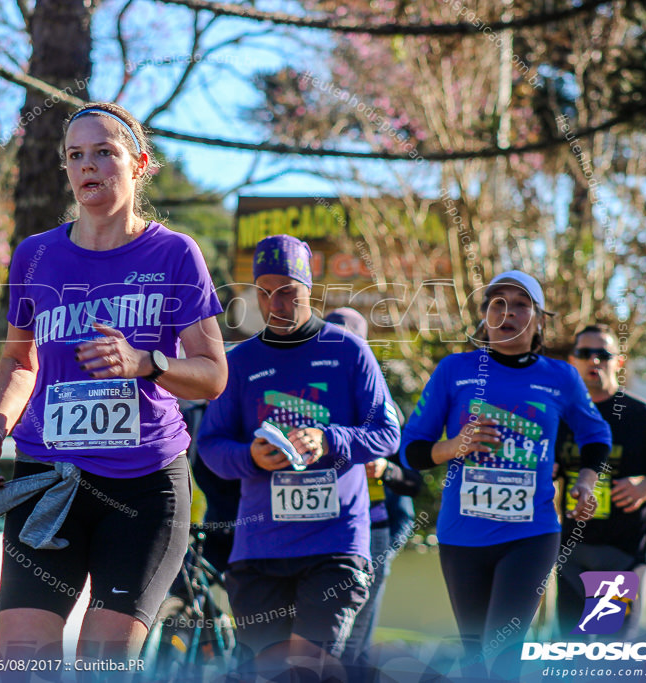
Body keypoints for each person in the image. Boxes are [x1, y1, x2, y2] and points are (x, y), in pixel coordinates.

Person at [0, 102, 228, 666]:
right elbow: (20, 362)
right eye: (75, 156)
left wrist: (147, 362)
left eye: (104, 153)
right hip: (47, 482)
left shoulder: (175, 254)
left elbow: (212, 376)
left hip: (142, 488)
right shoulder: (35, 256)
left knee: (101, 666)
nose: (88, 166)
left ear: (139, 165)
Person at [197, 237, 401, 681]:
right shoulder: (242, 361)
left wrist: (330, 440)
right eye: (264, 291)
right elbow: (211, 447)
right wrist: (250, 457)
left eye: (288, 290)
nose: (276, 303)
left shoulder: (348, 351)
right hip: (259, 548)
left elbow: (387, 433)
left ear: (310, 288)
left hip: (335, 544)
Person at [399, 270, 612, 677]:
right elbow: (411, 450)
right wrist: (453, 446)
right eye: (498, 303)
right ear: (484, 317)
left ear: (538, 321)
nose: (508, 312)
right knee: (474, 655)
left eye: (520, 304)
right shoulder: (454, 370)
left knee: (504, 650)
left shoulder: (559, 376)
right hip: (462, 534)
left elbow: (596, 431)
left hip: (530, 534)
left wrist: (585, 480)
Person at [555, 324, 646, 637]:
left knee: (608, 652)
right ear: (572, 361)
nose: (594, 361)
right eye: (584, 354)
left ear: (618, 362)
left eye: (603, 354)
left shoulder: (641, 416)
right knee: (568, 654)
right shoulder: (562, 416)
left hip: (620, 554)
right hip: (572, 551)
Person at [324, 308, 423, 673]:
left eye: (346, 343)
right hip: (313, 534)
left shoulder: (383, 407)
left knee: (351, 647)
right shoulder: (305, 395)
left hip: (372, 535)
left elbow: (414, 482)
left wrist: (383, 468)